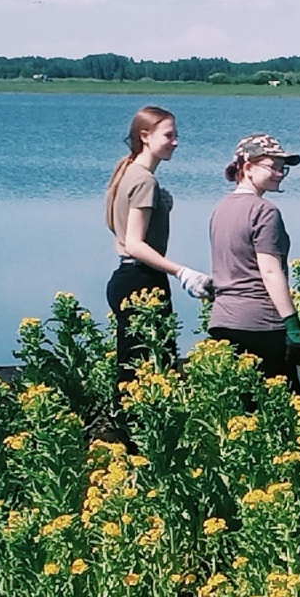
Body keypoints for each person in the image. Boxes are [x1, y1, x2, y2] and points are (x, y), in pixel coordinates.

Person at [105, 105, 212, 387]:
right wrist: (182, 272)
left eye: (176, 135)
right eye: (168, 135)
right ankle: (137, 429)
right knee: (152, 369)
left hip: (125, 279)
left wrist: (161, 208)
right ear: (145, 136)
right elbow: (134, 243)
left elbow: (116, 225)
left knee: (134, 366)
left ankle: (126, 427)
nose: (175, 142)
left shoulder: (126, 171)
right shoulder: (144, 181)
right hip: (142, 281)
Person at [207, 134, 300, 393]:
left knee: (241, 407)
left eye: (282, 167)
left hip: (223, 321)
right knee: (280, 407)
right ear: (247, 167)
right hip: (262, 324)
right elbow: (270, 271)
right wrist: (293, 325)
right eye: (272, 166)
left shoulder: (221, 209)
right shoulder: (264, 211)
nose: (280, 173)